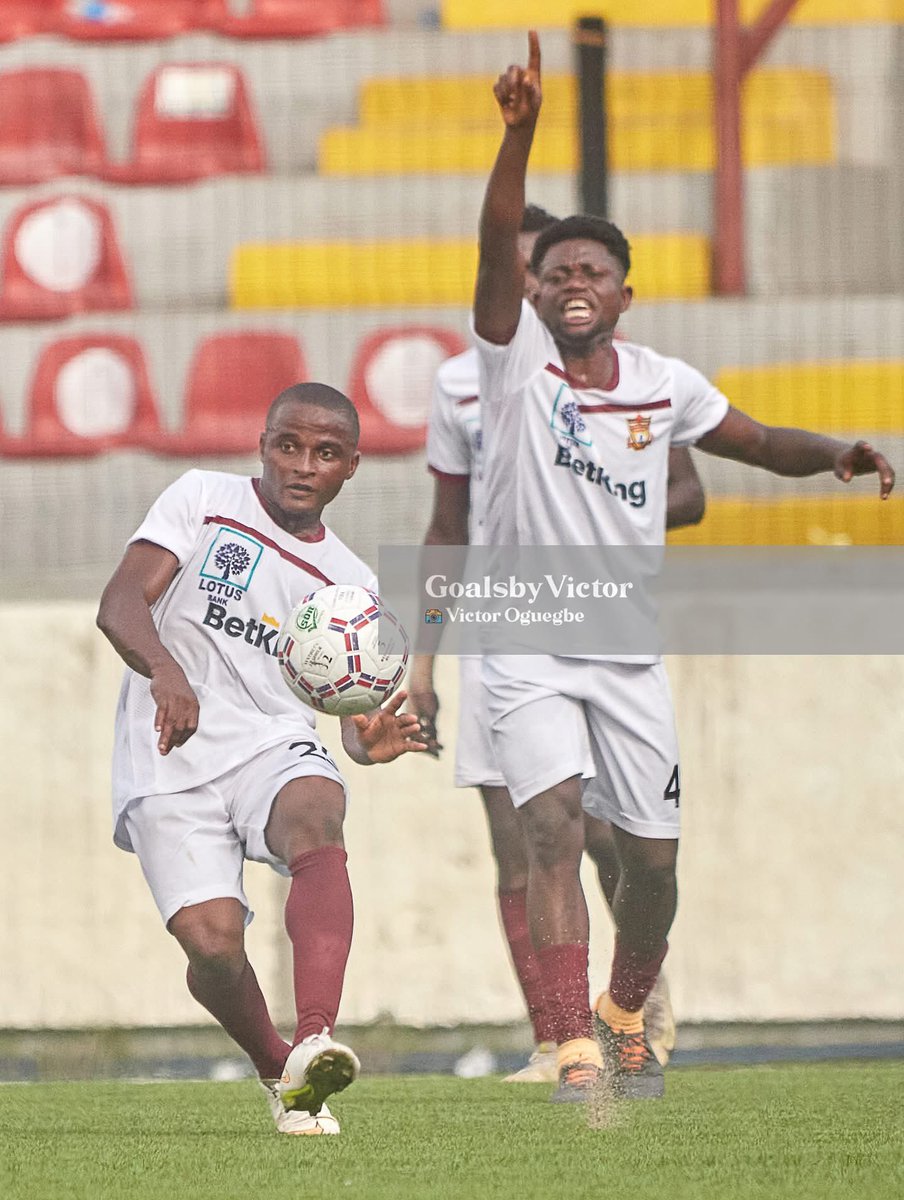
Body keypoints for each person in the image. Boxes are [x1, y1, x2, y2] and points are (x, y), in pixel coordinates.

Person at [472, 31, 895, 1104]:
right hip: (524, 638)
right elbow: (492, 245)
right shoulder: (514, 365)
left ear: (623, 292)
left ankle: (623, 1010)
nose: (572, 284)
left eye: (592, 272)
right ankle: (570, 1040)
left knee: (652, 865)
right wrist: (517, 136)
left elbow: (754, 443)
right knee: (550, 829)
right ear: (533, 292)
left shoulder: (662, 382)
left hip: (625, 649)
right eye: (555, 271)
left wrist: (833, 453)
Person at [409, 207, 705, 1082]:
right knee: (526, 837)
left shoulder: (632, 383)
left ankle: (637, 1002)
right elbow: (446, 524)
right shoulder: (464, 383)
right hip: (503, 642)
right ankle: (557, 1039)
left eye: (559, 268)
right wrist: (422, 662)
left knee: (616, 842)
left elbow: (684, 492)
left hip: (598, 631)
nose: (545, 286)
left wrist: (592, 505)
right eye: (529, 272)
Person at [97, 383, 427, 1136]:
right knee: (211, 944)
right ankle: (280, 1068)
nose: (301, 465)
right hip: (167, 751)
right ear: (263, 444)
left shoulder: (355, 588)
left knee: (317, 812)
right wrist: (165, 672)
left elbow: (348, 717)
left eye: (324, 453)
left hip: (270, 744)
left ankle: (317, 1035)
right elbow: (120, 602)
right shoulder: (203, 499)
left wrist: (362, 743)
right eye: (288, 445)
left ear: (351, 467)